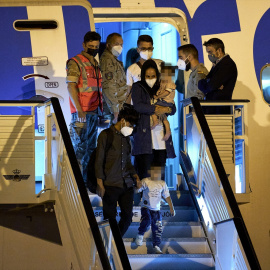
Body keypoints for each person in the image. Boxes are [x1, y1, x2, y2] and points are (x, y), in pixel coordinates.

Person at [95, 106, 141, 237]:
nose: (131, 128)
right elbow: (99, 160)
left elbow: (127, 162)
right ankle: (111, 244)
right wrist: (100, 183)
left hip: (126, 184)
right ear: (123, 120)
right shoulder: (105, 135)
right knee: (109, 218)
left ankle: (115, 243)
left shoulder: (126, 138)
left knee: (127, 218)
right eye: (130, 125)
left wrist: (136, 177)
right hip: (110, 184)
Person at [66, 31, 102, 182]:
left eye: (96, 46)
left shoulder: (95, 64)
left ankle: (85, 183)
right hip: (81, 114)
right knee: (78, 150)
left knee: (90, 150)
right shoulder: (75, 62)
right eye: (90, 46)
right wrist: (79, 109)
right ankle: (74, 185)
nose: (93, 49)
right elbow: (71, 86)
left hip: (93, 112)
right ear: (84, 45)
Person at [131, 59, 176, 181]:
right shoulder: (137, 87)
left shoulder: (161, 86)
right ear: (143, 75)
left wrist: (165, 109)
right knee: (145, 175)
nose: (151, 78)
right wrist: (157, 108)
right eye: (147, 76)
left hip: (161, 140)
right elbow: (138, 106)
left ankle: (160, 199)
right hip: (144, 137)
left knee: (159, 176)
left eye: (153, 76)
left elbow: (173, 109)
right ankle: (144, 199)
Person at [135, 165, 175, 254]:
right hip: (146, 207)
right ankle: (140, 234)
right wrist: (137, 186)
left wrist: (171, 208)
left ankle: (156, 246)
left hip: (156, 209)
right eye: (154, 171)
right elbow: (137, 190)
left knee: (157, 227)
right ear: (150, 172)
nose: (157, 174)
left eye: (158, 172)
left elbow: (167, 196)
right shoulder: (146, 181)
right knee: (147, 219)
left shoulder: (162, 183)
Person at [198, 38, 238, 114]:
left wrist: (209, 82)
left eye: (210, 52)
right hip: (213, 108)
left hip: (219, 110)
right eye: (208, 53)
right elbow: (202, 84)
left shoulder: (226, 64)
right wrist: (208, 82)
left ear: (219, 50)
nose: (209, 55)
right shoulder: (217, 65)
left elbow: (211, 86)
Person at [100, 33, 128, 124]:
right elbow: (108, 86)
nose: (119, 47)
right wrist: (115, 111)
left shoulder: (114, 60)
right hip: (113, 111)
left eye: (121, 44)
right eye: (116, 44)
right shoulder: (107, 60)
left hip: (118, 107)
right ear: (108, 45)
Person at [126, 35, 163, 103]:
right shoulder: (131, 69)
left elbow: (170, 88)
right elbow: (129, 93)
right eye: (143, 49)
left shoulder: (162, 64)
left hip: (158, 106)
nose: (147, 51)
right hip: (139, 108)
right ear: (138, 50)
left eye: (149, 48)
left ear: (153, 49)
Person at [151, 65, 176, 141]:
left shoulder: (170, 82)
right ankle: (168, 131)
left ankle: (155, 121)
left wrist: (157, 97)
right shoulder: (162, 82)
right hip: (163, 102)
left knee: (152, 108)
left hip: (166, 102)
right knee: (164, 117)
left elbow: (166, 92)